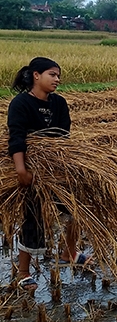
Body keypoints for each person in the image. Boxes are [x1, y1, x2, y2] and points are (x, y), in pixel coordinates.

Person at [7, 56, 88, 291]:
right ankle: (23, 272)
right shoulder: (20, 103)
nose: (57, 79)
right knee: (33, 219)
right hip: (32, 170)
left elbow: (63, 138)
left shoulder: (59, 104)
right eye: (52, 74)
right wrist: (21, 169)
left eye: (58, 75)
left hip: (57, 169)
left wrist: (64, 168)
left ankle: (69, 253)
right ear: (36, 75)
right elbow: (17, 138)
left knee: (75, 210)